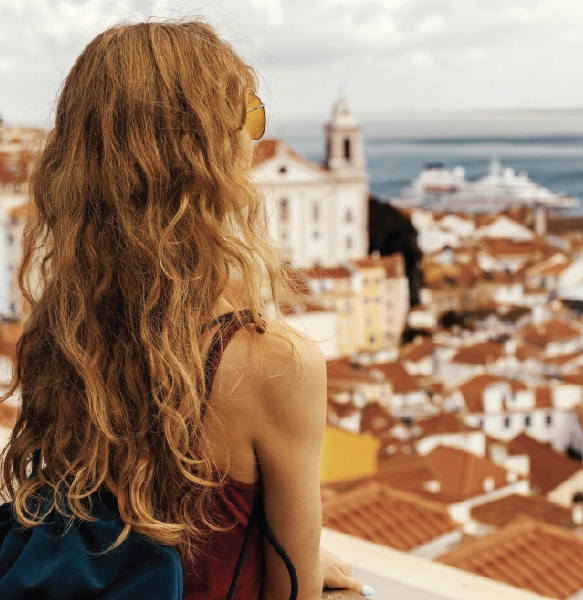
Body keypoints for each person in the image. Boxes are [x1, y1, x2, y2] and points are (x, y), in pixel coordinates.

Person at [0, 20, 370, 600]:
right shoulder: (272, 363)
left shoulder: (61, 333)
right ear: (210, 154)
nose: (256, 137)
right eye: (248, 116)